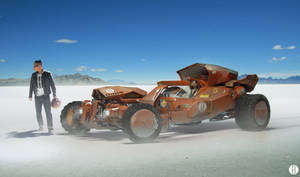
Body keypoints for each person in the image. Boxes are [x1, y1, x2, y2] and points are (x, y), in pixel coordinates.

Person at [29, 60, 56, 134]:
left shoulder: (47, 74)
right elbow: (31, 85)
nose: (34, 67)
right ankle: (40, 126)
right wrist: (30, 95)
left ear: (40, 65)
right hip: (37, 97)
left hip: (46, 96)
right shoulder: (33, 75)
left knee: (48, 112)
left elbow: (52, 85)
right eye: (34, 66)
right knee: (38, 112)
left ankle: (50, 128)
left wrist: (54, 94)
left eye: (35, 66)